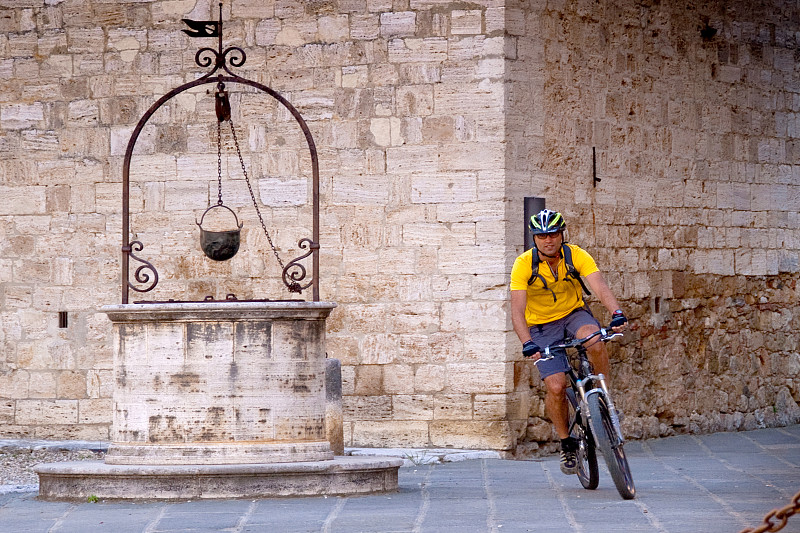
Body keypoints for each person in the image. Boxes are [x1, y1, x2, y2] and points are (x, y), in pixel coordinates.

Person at [509, 209, 628, 475]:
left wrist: (616, 312)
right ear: (534, 239)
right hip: (541, 327)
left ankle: (601, 396)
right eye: (541, 236)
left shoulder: (576, 255)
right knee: (556, 386)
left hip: (574, 314)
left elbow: (599, 286)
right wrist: (528, 342)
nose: (548, 240)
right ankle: (566, 442)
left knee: (595, 340)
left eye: (552, 234)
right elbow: (517, 310)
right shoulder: (523, 265)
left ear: (562, 235)